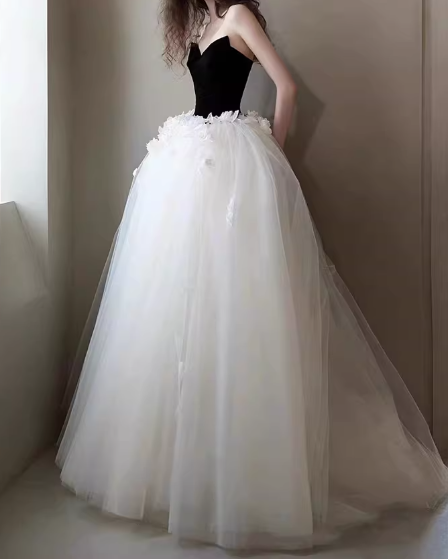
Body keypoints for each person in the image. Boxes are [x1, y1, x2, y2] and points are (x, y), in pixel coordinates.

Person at [57, 0, 448, 551]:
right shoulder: (202, 22)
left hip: (228, 164)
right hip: (190, 161)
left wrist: (274, 158)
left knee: (238, 312)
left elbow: (287, 88)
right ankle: (186, 475)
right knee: (183, 312)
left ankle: (244, 480)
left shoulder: (239, 15)